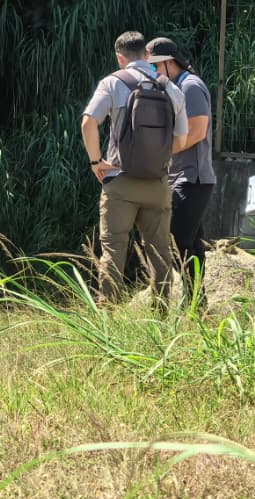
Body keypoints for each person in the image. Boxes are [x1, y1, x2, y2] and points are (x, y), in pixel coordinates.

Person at [81, 31, 189, 303]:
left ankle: (108, 317)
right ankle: (163, 315)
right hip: (158, 184)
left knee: (114, 251)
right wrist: (157, 158)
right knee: (160, 253)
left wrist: (96, 162)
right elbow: (182, 139)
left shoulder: (113, 83)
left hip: (120, 181)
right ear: (147, 55)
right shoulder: (171, 88)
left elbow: (88, 123)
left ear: (120, 57)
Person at [146, 36, 216, 300]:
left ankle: (194, 300)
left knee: (177, 241)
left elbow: (197, 131)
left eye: (154, 66)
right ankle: (197, 302)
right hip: (184, 177)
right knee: (191, 243)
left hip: (192, 179)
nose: (151, 72)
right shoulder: (178, 86)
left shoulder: (190, 86)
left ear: (169, 62)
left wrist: (160, 153)